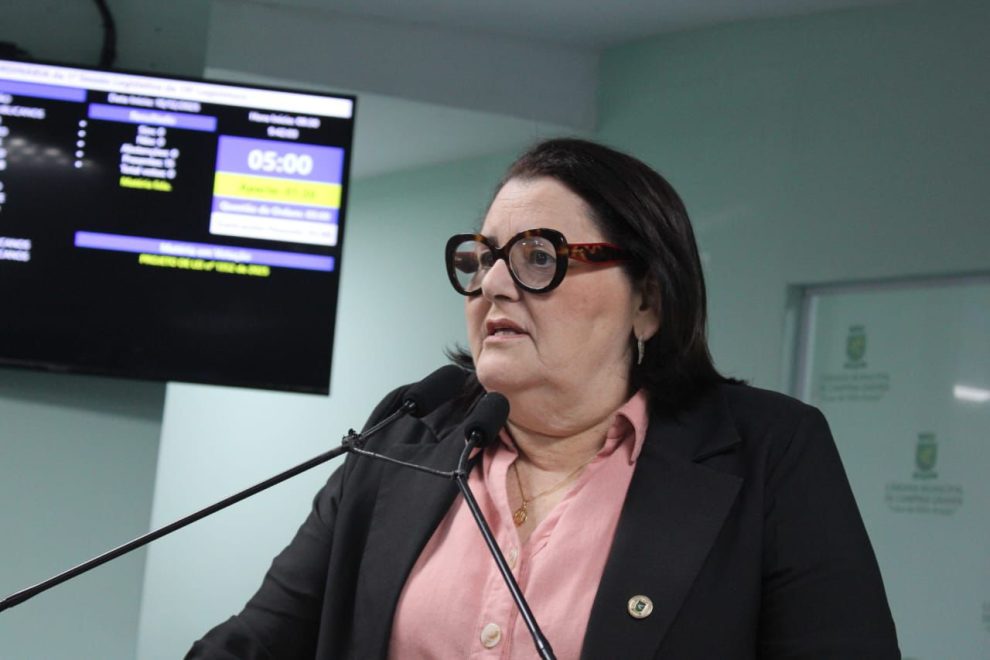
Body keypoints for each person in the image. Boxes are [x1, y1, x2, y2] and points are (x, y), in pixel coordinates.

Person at [188, 138, 899, 659]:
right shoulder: (406, 434)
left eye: (538, 258)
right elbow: (258, 645)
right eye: (482, 258)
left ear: (648, 300)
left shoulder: (770, 452)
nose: (493, 285)